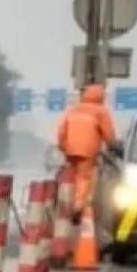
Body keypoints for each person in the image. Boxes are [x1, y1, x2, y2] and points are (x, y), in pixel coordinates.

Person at [56, 84, 116, 220]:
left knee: (70, 178)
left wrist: (63, 146)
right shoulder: (101, 111)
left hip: (70, 149)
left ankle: (64, 205)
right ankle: (78, 208)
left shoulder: (73, 109)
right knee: (84, 178)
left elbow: (61, 130)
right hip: (87, 150)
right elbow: (109, 135)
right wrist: (113, 146)